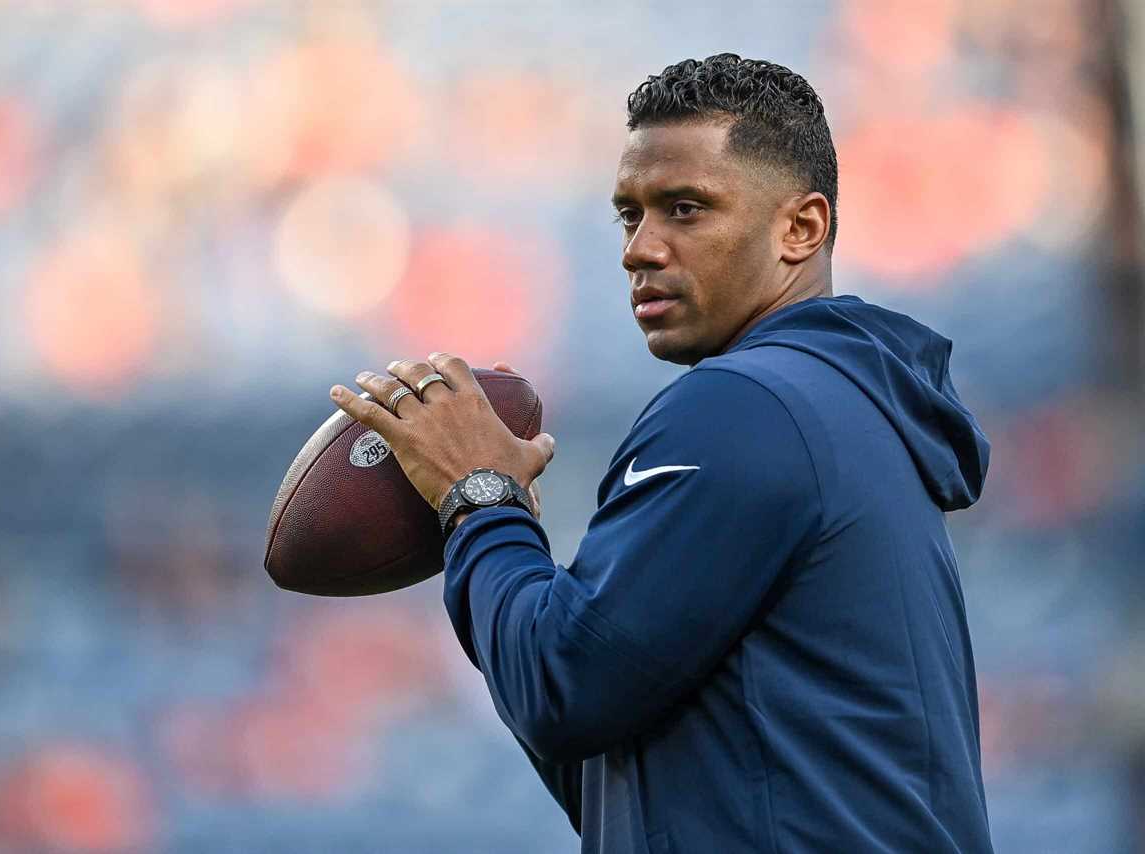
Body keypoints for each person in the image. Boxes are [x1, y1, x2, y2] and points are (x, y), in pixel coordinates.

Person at [329, 53, 994, 853]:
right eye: (629, 215)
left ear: (801, 228)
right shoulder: (845, 405)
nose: (639, 249)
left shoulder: (742, 406)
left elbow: (562, 690)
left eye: (685, 208)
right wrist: (502, 537)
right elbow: (614, 762)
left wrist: (478, 500)